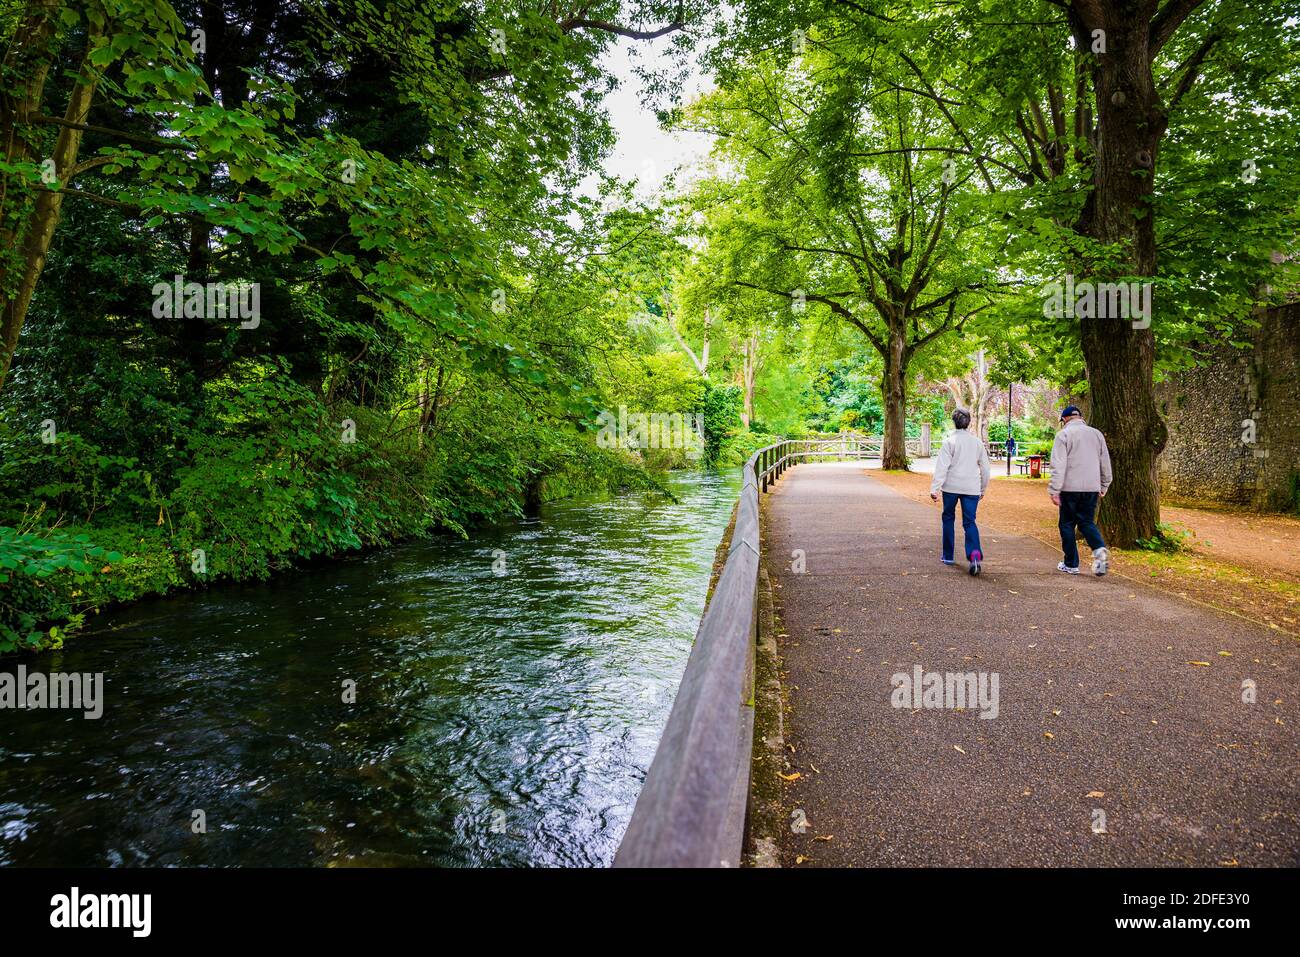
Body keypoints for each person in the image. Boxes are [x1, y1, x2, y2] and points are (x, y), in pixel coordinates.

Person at [1048, 405, 1112, 576]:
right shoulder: (1097, 434)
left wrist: (1054, 489)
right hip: (1091, 487)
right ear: (1080, 417)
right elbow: (1105, 462)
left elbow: (1058, 464)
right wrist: (1104, 484)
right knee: (1087, 523)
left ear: (1065, 419)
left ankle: (1071, 563)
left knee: (1067, 524)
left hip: (1069, 488)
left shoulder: (1064, 435)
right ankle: (1100, 552)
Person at [929, 408, 991, 576]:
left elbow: (942, 467)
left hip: (951, 487)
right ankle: (975, 555)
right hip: (971, 488)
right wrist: (982, 488)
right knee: (970, 522)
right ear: (968, 422)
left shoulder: (949, 442)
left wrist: (935, 488)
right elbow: (985, 468)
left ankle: (948, 555)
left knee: (948, 518)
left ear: (954, 422)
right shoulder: (977, 443)